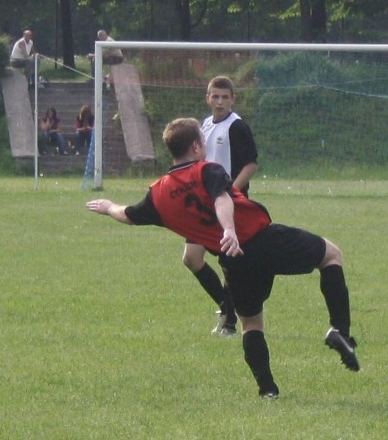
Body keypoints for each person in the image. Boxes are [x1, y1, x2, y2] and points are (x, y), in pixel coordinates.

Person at [86, 118, 358, 398]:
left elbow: (128, 215)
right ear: (195, 146)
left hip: (233, 260)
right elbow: (221, 198)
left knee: (251, 324)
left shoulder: (158, 195)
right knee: (331, 255)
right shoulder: (207, 170)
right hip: (263, 240)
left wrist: (109, 207)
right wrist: (229, 229)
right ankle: (340, 330)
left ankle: (267, 390)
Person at [186, 76, 259, 338]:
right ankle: (226, 308)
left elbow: (250, 164)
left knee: (229, 264)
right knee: (191, 259)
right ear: (207, 98)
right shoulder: (204, 126)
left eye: (224, 97)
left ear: (233, 99)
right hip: (205, 205)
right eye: (215, 96)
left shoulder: (237, 127)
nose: (219, 102)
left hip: (228, 204)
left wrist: (231, 193)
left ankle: (228, 323)